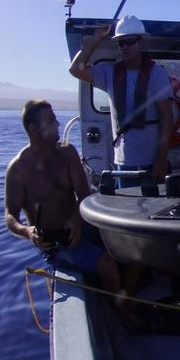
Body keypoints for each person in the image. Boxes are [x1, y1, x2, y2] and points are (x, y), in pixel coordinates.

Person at [4, 100, 143, 330]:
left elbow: (84, 194)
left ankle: (122, 297)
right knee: (107, 265)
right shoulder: (18, 170)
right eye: (51, 121)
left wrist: (77, 222)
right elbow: (10, 216)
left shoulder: (67, 153)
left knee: (135, 248)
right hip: (57, 243)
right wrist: (27, 232)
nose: (58, 123)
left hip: (82, 225)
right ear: (34, 130)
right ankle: (122, 313)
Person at [68, 15, 173, 187]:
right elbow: (75, 69)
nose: (124, 47)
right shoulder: (109, 73)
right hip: (122, 163)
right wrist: (96, 39)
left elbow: (167, 117)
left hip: (151, 162)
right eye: (120, 43)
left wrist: (161, 159)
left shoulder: (157, 74)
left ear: (140, 43)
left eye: (129, 41)